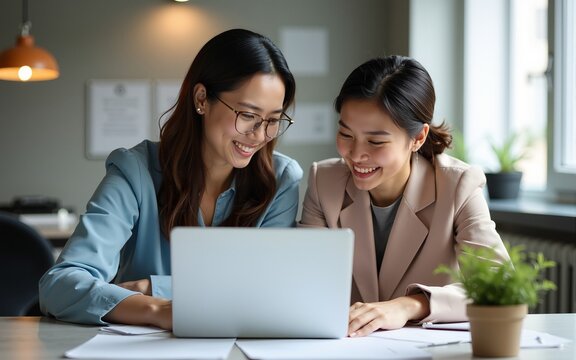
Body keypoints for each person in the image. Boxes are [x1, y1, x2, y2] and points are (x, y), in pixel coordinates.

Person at [39, 29, 302, 330]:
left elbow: (267, 292)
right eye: (247, 114)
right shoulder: (135, 170)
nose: (259, 135)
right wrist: (158, 310)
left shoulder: (281, 180)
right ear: (202, 99)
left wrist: (152, 288)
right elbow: (58, 286)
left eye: (273, 120)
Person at [299, 55, 509, 337]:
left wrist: (409, 305)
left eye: (375, 141)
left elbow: (499, 288)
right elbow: (303, 282)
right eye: (345, 134)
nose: (356, 154)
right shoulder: (323, 181)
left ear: (418, 137)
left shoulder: (458, 185)